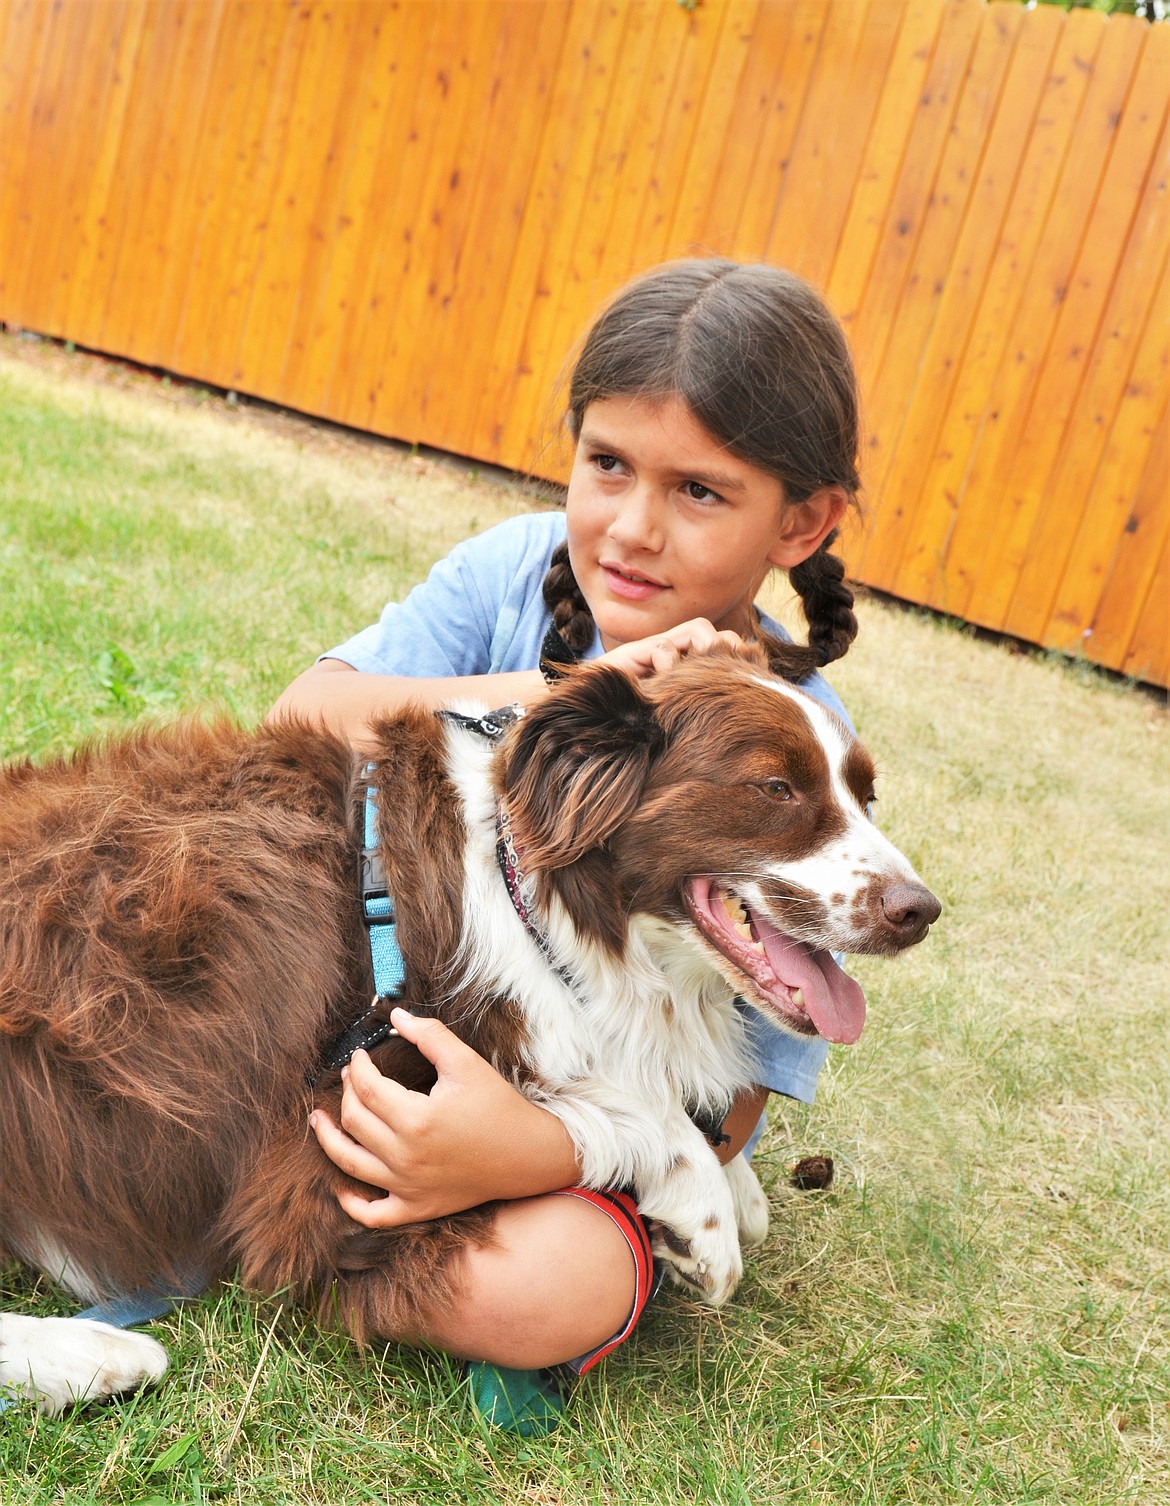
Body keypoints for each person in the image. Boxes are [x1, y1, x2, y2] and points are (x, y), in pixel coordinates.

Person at [270, 258, 862, 1430]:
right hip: (372, 1001)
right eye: (608, 466)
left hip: (565, 1121)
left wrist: (521, 1152)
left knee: (560, 1283)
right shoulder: (515, 570)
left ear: (801, 521)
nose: (633, 530)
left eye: (700, 490)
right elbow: (301, 712)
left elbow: (725, 1107)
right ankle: (294, 1190)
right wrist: (536, 695)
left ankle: (345, 1221)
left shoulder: (796, 757)